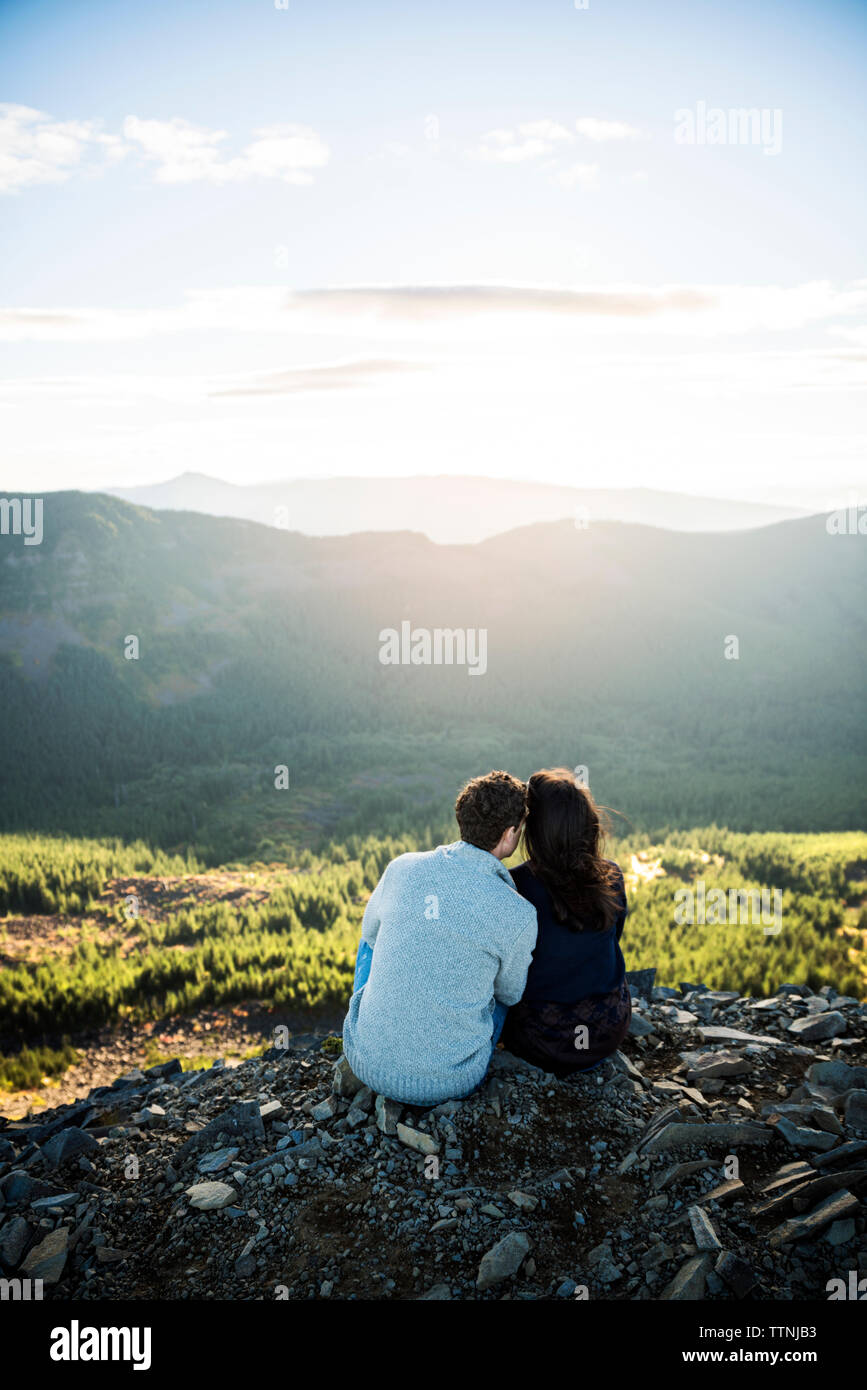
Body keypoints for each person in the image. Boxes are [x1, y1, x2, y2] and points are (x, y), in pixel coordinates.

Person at [342, 770, 538, 1105]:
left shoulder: (401, 867)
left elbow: (371, 939)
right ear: (509, 835)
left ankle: (379, 1028)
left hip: (365, 1061)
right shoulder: (518, 912)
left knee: (370, 941)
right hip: (453, 1080)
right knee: (497, 991)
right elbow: (510, 993)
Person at [502, 768, 631, 1077]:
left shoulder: (515, 887)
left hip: (542, 1043)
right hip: (606, 1032)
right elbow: (614, 939)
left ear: (533, 830)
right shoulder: (611, 876)